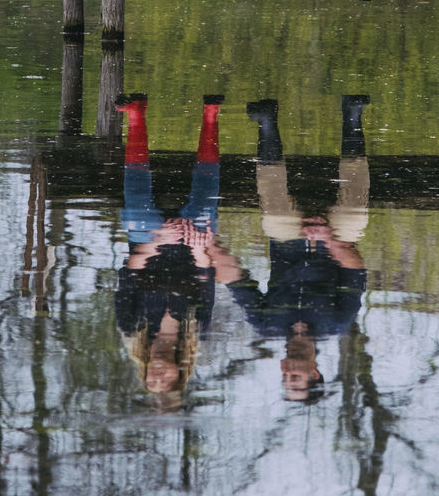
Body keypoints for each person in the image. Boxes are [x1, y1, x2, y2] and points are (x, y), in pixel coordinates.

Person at [213, 95, 371, 402]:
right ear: (315, 372)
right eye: (294, 378)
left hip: (287, 241)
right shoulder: (337, 323)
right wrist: (327, 237)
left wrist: (207, 243)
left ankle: (267, 124)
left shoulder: (266, 324)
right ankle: (352, 117)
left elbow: (234, 278)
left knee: (275, 218)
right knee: (355, 220)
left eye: (285, 378)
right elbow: (355, 267)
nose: (287, 372)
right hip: (333, 243)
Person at [114, 94, 226, 405]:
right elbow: (206, 276)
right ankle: (210, 117)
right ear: (180, 371)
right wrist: (199, 246)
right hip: (190, 248)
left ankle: (136, 117)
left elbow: (129, 272)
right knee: (204, 209)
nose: (158, 377)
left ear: (146, 370)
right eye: (166, 381)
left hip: (148, 246)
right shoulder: (196, 332)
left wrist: (158, 240)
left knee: (137, 212)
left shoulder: (131, 327)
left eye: (152, 381)